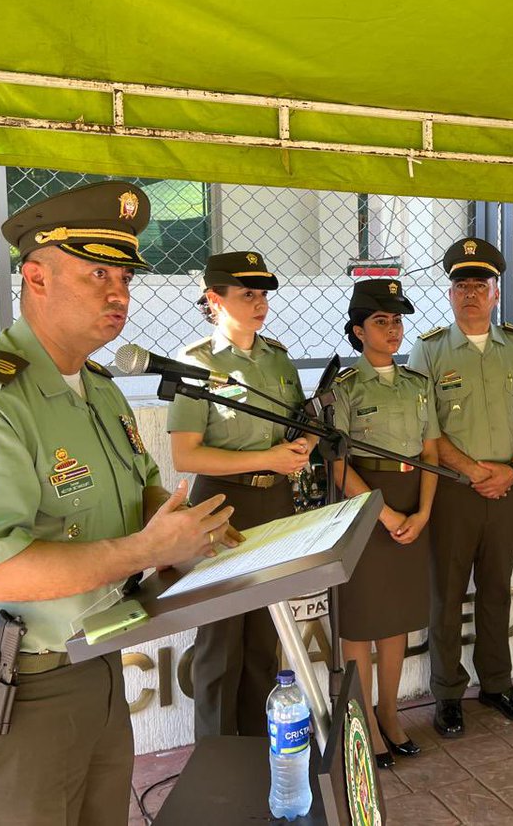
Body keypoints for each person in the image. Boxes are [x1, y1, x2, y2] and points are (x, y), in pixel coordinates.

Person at [0, 182, 237, 825]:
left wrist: (191, 539)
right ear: (35, 277)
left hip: (98, 664)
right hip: (16, 691)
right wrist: (150, 549)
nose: (118, 294)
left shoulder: (101, 391)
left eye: (124, 276)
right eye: (97, 274)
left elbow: (143, 490)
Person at [407, 237, 513, 738]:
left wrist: (511, 470)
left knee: (495, 589)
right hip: (453, 491)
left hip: (508, 489)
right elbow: (424, 429)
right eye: (461, 284)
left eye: (481, 284)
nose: (470, 292)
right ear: (449, 293)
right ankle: (448, 693)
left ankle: (497, 683)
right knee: (446, 595)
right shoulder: (427, 351)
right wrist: (474, 472)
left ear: (497, 292)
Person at [167, 251, 309, 739]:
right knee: (220, 643)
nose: (259, 303)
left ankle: (256, 749)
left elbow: (295, 426)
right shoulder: (196, 362)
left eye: (263, 294)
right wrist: (266, 460)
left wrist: (300, 446)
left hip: (275, 505)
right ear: (214, 299)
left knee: (264, 639)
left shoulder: (278, 358)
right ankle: (215, 759)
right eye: (247, 294)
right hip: (221, 509)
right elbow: (187, 455)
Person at [331, 279, 439, 768]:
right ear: (358, 330)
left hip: (413, 498)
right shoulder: (344, 389)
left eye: (397, 321)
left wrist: (424, 512)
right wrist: (388, 513)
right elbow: (337, 464)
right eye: (381, 321)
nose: (393, 329)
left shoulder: (418, 385)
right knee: (361, 618)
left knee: (395, 618)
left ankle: (390, 712)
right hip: (365, 507)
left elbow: (431, 453)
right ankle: (364, 722)